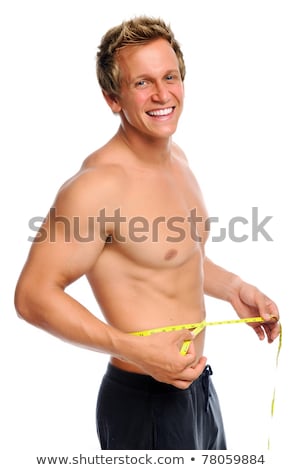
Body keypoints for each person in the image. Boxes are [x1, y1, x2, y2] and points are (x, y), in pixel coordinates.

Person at [14, 16, 280, 450]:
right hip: (144, 403)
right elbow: (32, 295)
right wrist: (131, 349)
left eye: (169, 77)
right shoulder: (97, 185)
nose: (162, 95)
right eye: (142, 83)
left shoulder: (179, 160)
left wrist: (235, 287)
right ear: (112, 98)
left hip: (197, 392)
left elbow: (173, 255)